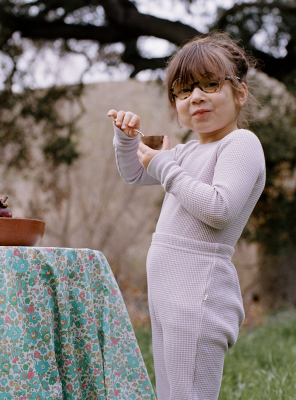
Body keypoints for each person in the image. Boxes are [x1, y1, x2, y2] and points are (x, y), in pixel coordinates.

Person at [107, 32, 266, 400]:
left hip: (199, 298)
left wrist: (164, 166)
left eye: (211, 84)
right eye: (183, 90)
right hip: (168, 297)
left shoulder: (241, 144)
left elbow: (218, 209)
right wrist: (128, 140)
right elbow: (134, 172)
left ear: (240, 92)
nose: (196, 96)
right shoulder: (187, 152)